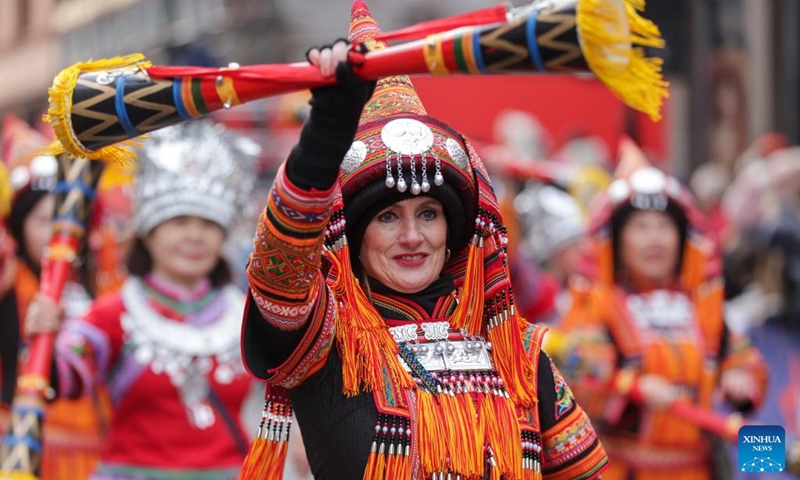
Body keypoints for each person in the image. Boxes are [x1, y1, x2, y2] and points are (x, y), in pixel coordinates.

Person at [237, 3, 609, 480]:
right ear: (355, 235)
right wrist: (325, 137)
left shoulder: (516, 353)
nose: (412, 237)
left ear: (452, 231)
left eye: (428, 214)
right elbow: (277, 272)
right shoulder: (330, 341)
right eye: (388, 217)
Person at [25, 120, 258, 480]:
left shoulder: (247, 316)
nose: (195, 236)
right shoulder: (112, 315)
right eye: (179, 222)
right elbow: (65, 379)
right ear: (148, 233)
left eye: (209, 225)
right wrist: (45, 336)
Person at [557, 139, 768, 480]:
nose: (654, 239)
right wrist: (631, 388)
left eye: (663, 227)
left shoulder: (704, 304)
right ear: (617, 241)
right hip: (623, 467)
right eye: (641, 228)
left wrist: (739, 377)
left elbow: (748, 361)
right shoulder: (597, 304)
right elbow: (576, 377)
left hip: (699, 466)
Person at [0, 114, 105, 480]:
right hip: (25, 453)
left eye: (66, 220)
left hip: (98, 455)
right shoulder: (8, 289)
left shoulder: (100, 287)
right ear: (19, 226)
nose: (58, 234)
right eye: (44, 221)